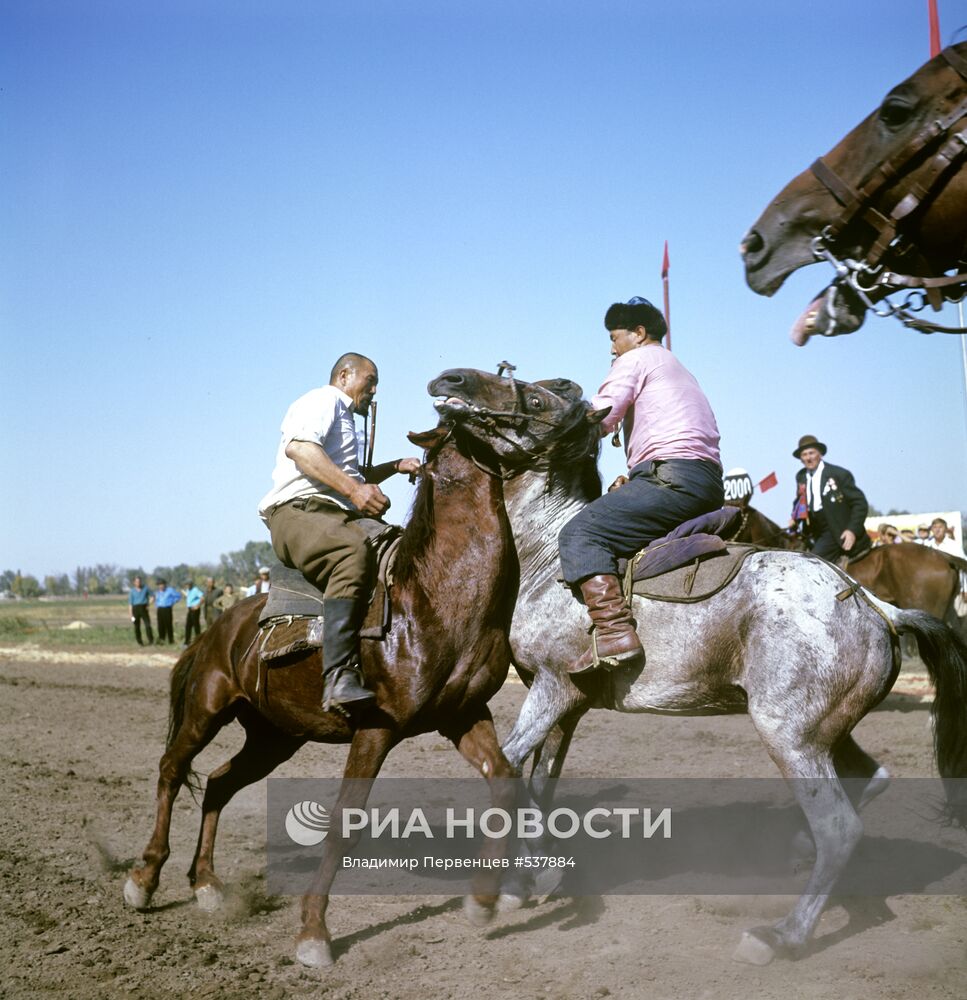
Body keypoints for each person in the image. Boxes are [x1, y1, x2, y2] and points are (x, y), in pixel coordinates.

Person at [557, 296, 724, 675]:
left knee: (580, 533)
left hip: (670, 478)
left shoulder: (634, 359)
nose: (611, 347)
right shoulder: (678, 366)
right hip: (704, 482)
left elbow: (599, 418)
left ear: (638, 334)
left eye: (615, 337)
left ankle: (614, 633)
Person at [258, 352, 421, 708]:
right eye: (371, 380)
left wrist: (395, 466)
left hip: (334, 515)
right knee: (352, 552)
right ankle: (338, 676)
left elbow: (353, 475)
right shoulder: (322, 400)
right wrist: (355, 491)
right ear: (345, 375)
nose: (375, 390)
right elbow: (300, 449)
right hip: (298, 513)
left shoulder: (345, 416)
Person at [788, 435, 871, 562]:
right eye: (804, 455)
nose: (808, 458)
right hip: (813, 531)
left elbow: (860, 503)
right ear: (800, 458)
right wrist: (794, 517)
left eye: (811, 453)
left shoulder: (839, 474)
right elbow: (800, 501)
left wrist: (852, 530)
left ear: (819, 454)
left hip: (834, 530)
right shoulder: (801, 477)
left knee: (811, 563)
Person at [154, 578, 182, 645]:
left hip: (167, 609)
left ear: (164, 584)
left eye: (161, 585)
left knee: (168, 625)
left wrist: (173, 602)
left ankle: (171, 640)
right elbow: (157, 600)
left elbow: (178, 596)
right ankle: (161, 640)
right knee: (160, 625)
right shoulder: (158, 592)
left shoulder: (170, 590)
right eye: (159, 585)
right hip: (160, 609)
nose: (160, 586)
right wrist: (156, 605)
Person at [128, 575, 154, 646]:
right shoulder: (132, 591)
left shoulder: (146, 588)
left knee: (147, 625)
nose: (138, 583)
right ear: (134, 583)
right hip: (135, 609)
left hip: (143, 608)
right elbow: (130, 604)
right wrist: (130, 615)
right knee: (137, 626)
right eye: (136, 582)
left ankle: (151, 641)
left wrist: (148, 604)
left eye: (139, 581)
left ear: (141, 582)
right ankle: (139, 642)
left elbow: (152, 596)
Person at [183, 580, 204, 645]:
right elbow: (189, 597)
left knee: (196, 625)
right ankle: (187, 641)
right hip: (190, 609)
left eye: (188, 584)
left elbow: (202, 598)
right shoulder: (188, 590)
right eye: (186, 584)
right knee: (188, 626)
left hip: (195, 609)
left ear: (191, 584)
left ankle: (198, 641)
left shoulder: (195, 590)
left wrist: (198, 606)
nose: (187, 586)